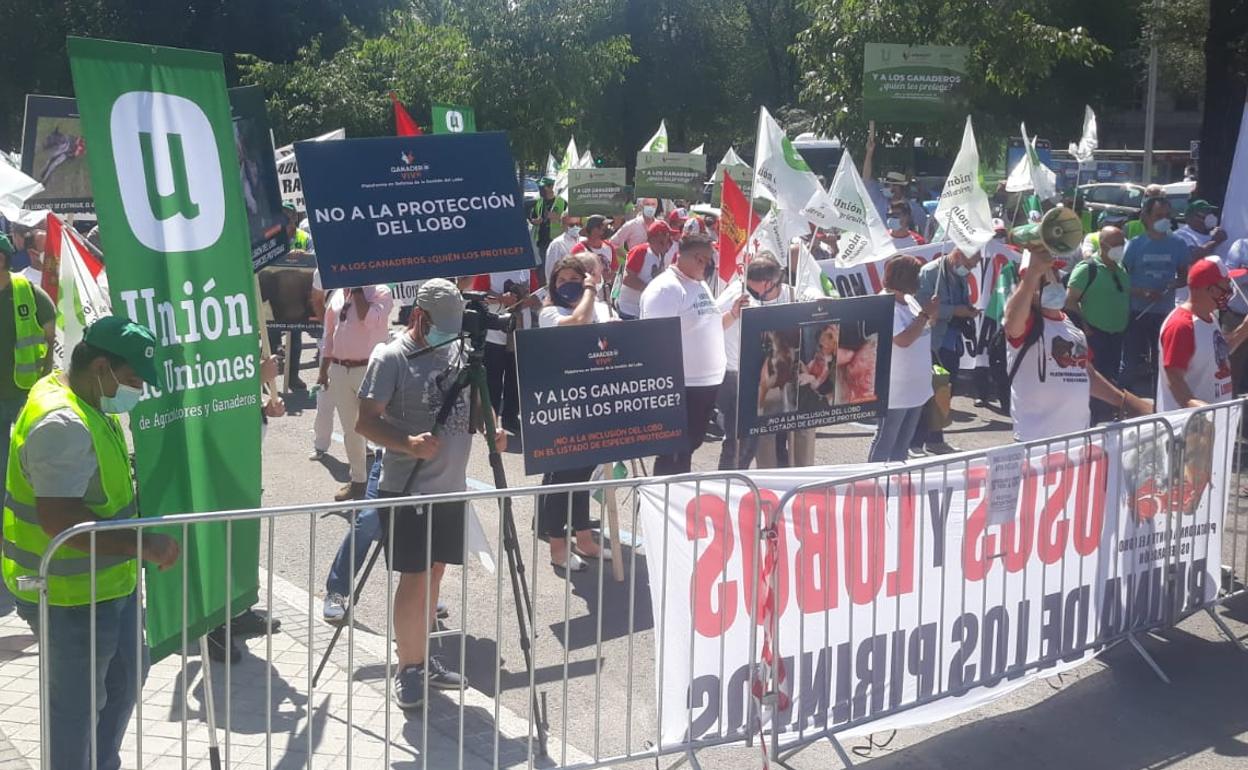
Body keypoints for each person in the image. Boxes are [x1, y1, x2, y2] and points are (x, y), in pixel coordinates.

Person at [2, 317, 180, 770]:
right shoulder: (62, 422)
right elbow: (61, 519)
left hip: (108, 585)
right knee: (75, 711)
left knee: (123, 681)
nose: (136, 392)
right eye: (133, 381)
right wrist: (144, 546)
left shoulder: (86, 397)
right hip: (70, 597)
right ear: (101, 366)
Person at [355, 278, 507, 708]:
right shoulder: (390, 356)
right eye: (440, 326)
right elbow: (365, 421)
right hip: (408, 488)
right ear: (419, 315)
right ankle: (408, 669)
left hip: (449, 488)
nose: (448, 334)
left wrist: (493, 427)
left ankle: (421, 654)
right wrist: (407, 444)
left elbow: (474, 410)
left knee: (436, 572)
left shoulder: (458, 350)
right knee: (416, 576)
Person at [1003, 253, 1150, 442]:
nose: (1054, 280)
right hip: (1035, 444)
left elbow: (1085, 372)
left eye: (1055, 274)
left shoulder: (1071, 326)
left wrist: (1125, 401)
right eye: (1045, 277)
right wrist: (1032, 275)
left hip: (1075, 444)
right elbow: (1011, 323)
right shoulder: (1028, 324)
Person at [535, 258, 614, 571]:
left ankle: (584, 539)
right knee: (563, 477)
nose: (567, 283)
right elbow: (578, 325)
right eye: (561, 279)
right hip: (562, 406)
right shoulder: (550, 312)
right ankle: (558, 546)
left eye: (574, 278)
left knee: (582, 476)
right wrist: (591, 290)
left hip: (594, 401)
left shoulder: (599, 308)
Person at [715, 253, 814, 470]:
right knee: (743, 441)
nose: (749, 293)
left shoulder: (785, 294)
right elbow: (711, 326)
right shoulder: (738, 296)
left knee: (763, 436)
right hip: (738, 376)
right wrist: (732, 314)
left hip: (765, 372)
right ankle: (728, 487)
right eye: (747, 287)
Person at [640, 233, 726, 475]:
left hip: (704, 384)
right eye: (708, 260)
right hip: (682, 386)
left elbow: (707, 325)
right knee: (673, 452)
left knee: (687, 449)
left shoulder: (698, 283)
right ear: (699, 259)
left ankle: (677, 502)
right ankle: (660, 506)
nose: (710, 266)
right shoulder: (666, 289)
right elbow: (655, 341)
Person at [317, 284, 394, 501]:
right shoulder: (337, 295)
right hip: (340, 370)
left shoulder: (381, 293)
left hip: (369, 370)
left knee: (380, 427)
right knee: (351, 429)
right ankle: (358, 481)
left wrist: (358, 289)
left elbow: (366, 317)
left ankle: (388, 485)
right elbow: (329, 335)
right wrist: (324, 370)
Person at [0, 234, 56, 507]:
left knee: (35, 462)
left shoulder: (27, 291)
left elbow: (50, 333)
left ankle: (36, 512)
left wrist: (45, 379)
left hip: (27, 394)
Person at [910, 248, 981, 455]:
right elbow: (922, 308)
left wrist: (967, 310)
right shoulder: (930, 273)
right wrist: (955, 311)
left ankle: (935, 439)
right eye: (969, 264)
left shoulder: (960, 276)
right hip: (932, 342)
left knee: (944, 393)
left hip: (951, 342)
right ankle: (915, 442)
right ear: (957, 254)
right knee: (926, 394)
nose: (971, 269)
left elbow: (960, 302)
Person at [869, 255, 937, 461]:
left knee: (903, 444)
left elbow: (924, 328)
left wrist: (930, 314)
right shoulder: (886, 304)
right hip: (895, 390)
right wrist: (925, 315)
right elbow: (903, 340)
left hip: (916, 387)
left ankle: (895, 484)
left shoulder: (909, 300)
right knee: (886, 439)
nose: (920, 280)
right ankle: (872, 483)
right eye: (917, 276)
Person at [1157, 257, 1248, 411]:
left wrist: (1244, 329)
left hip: (1211, 423)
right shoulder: (1181, 325)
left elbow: (1219, 352)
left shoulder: (1209, 316)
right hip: (1191, 428)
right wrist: (1197, 408)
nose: (1230, 290)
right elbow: (1173, 378)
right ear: (1211, 289)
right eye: (1227, 284)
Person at [1121, 196, 1190, 390]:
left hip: (1164, 313)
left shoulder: (1178, 244)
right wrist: (1141, 292)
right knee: (1130, 361)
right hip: (1136, 312)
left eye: (1168, 215)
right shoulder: (1134, 245)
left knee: (1162, 362)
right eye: (1159, 215)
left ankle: (1158, 405)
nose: (1164, 219)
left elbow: (1185, 275)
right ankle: (1122, 404)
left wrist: (1175, 283)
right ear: (1146, 217)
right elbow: (1120, 279)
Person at [1065, 226, 1130, 421]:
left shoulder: (1121, 268)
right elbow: (1070, 300)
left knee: (1110, 377)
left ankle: (1106, 415)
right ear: (1103, 245)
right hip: (1095, 335)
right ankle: (1092, 420)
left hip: (1117, 334)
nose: (1120, 247)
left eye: (1122, 243)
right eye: (1116, 244)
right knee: (1095, 381)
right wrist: (1084, 326)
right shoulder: (1088, 268)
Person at [470, 269, 540, 434]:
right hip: (495, 333)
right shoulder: (488, 267)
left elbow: (536, 292)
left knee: (514, 378)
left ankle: (510, 417)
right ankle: (489, 421)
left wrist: (530, 300)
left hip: (520, 330)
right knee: (493, 380)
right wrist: (501, 299)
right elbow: (478, 295)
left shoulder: (526, 268)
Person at [273, 203, 313, 391]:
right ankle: (270, 380)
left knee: (295, 338)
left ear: (295, 219)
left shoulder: (304, 238)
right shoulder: (271, 238)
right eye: (283, 217)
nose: (287, 221)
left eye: (289, 217)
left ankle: (293, 377)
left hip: (296, 298)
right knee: (272, 336)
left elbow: (314, 258)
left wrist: (303, 255)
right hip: (275, 294)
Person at [617, 222, 677, 320]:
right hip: (629, 310)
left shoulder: (659, 255)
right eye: (667, 236)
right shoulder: (641, 251)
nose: (669, 240)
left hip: (642, 310)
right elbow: (627, 279)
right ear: (658, 237)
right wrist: (651, 290)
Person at [570, 215, 617, 293]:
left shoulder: (609, 247)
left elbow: (614, 268)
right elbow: (573, 273)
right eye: (602, 228)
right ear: (592, 230)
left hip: (605, 292)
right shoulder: (579, 250)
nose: (606, 230)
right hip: (586, 291)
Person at [529, 177, 566, 258]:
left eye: (543, 187)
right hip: (542, 241)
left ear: (552, 187)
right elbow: (532, 218)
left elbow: (573, 220)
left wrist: (558, 217)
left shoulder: (563, 202)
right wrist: (534, 221)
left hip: (557, 242)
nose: (540, 189)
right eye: (540, 187)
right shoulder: (539, 201)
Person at [542, 212, 583, 283]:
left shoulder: (585, 240)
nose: (575, 227)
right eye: (571, 225)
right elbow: (550, 270)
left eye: (578, 224)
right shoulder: (557, 244)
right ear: (563, 225)